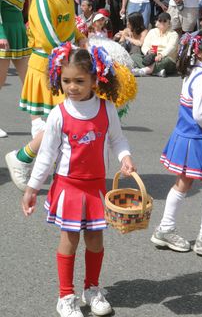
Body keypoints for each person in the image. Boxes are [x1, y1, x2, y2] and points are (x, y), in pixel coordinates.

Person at [21, 44, 136, 317]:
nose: (72, 86)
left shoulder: (107, 109)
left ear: (95, 79)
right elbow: (47, 155)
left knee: (95, 240)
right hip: (69, 187)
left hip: (96, 187)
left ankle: (92, 288)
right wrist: (31, 188)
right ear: (58, 79)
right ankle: (66, 295)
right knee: (69, 240)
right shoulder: (58, 114)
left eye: (79, 81)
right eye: (66, 80)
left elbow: (118, 139)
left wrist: (125, 157)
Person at [5, 0, 87, 191]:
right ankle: (21, 157)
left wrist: (82, 38)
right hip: (47, 68)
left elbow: (70, 27)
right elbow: (50, 37)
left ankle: (57, 171)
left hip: (65, 66)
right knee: (61, 122)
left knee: (64, 122)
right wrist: (76, 52)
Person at [151, 27, 202, 258]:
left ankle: (165, 229)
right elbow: (200, 115)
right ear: (199, 52)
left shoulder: (195, 72)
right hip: (198, 139)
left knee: (183, 183)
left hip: (186, 135)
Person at [0, 0, 36, 138]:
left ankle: (38, 124)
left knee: (30, 78)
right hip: (3, 28)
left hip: (18, 29)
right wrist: (1, 34)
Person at [131, 12, 178, 77]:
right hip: (151, 57)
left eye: (165, 21)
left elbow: (171, 47)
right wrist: (148, 52)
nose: (162, 23)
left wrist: (161, 55)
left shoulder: (173, 34)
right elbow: (145, 45)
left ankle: (144, 71)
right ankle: (156, 72)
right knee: (134, 56)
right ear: (157, 22)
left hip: (165, 58)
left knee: (167, 61)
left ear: (169, 23)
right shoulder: (152, 31)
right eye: (160, 20)